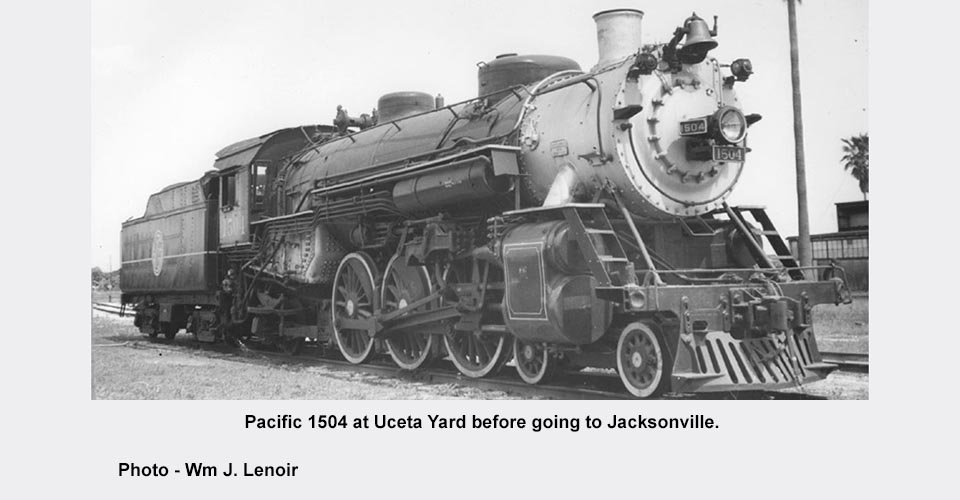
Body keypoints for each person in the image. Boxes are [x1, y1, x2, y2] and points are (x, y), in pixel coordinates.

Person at [218, 268, 238, 340]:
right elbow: (227, 289)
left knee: (228, 315)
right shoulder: (226, 282)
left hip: (228, 300)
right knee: (226, 316)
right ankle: (224, 333)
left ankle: (227, 333)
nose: (233, 276)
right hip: (225, 301)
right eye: (232, 275)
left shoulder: (232, 281)